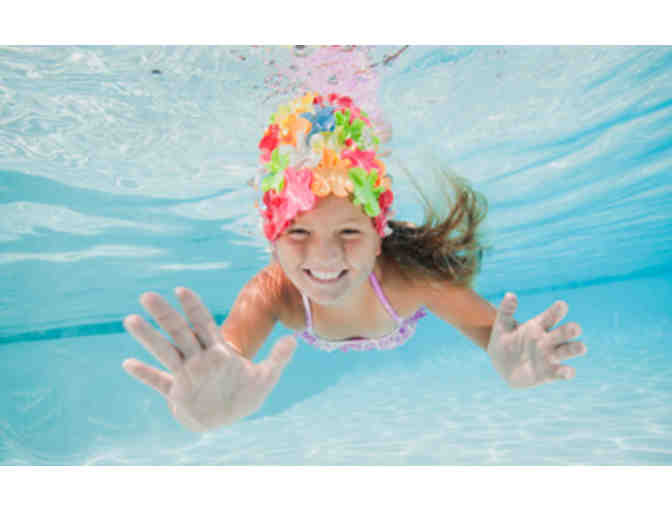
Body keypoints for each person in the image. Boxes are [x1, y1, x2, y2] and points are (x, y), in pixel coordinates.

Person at [121, 92, 587, 433]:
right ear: (272, 241)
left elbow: (494, 336)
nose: (325, 257)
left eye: (349, 232)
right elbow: (228, 357)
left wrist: (504, 356)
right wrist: (208, 401)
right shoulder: (272, 291)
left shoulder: (411, 280)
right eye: (298, 232)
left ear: (379, 237)